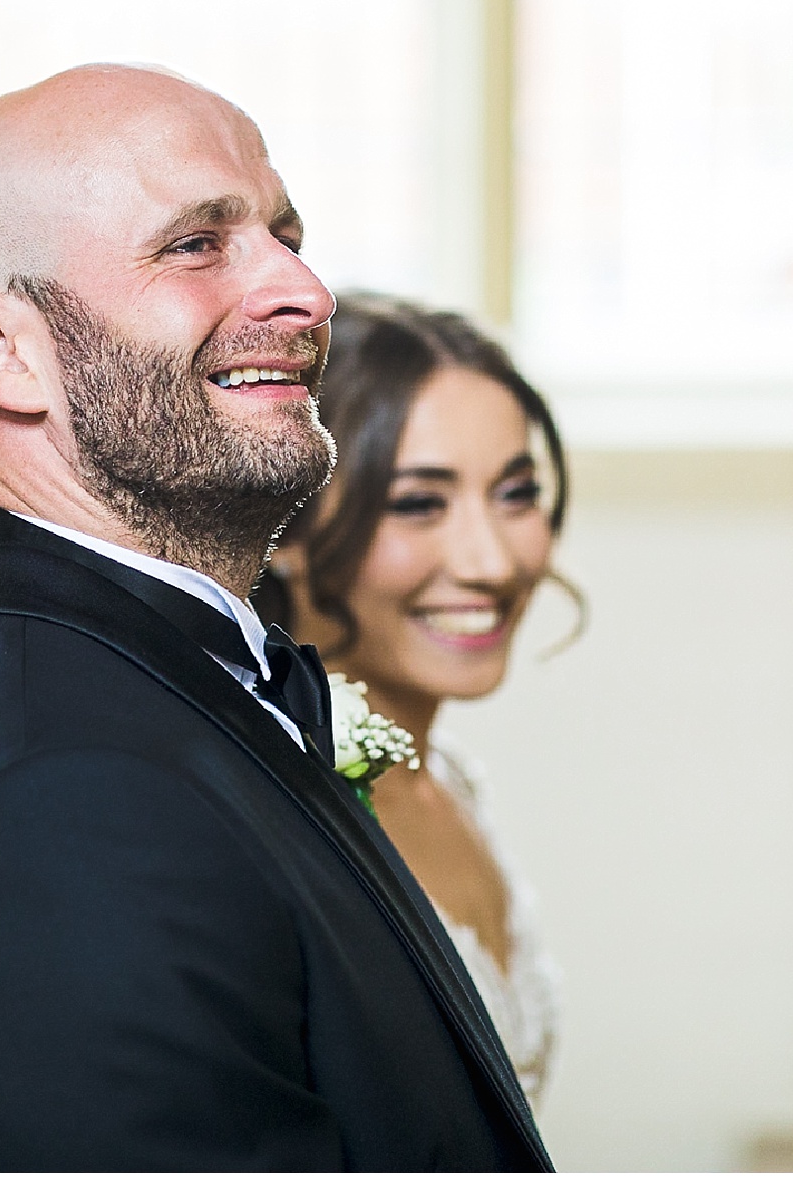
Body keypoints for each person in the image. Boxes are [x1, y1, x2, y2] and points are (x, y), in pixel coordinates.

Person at [0, 63, 551, 1171]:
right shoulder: (63, 801)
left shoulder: (180, 679)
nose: (307, 293)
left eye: (285, 232)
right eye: (195, 243)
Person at [255, 294, 583, 1106]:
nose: (491, 561)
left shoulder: (451, 783)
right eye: (418, 503)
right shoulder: (279, 813)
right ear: (285, 530)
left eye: (515, 493)